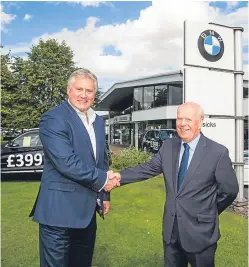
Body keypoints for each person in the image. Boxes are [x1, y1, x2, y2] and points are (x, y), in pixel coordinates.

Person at [110, 102, 239, 267]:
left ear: (200, 122)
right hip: (171, 233)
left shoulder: (217, 152)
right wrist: (119, 177)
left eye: (188, 119)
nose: (182, 124)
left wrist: (209, 211)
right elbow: (147, 169)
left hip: (200, 234)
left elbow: (230, 191)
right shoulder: (168, 146)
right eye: (179, 119)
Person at [29, 68, 120, 267]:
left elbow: (101, 160)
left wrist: (104, 196)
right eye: (79, 89)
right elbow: (66, 162)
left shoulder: (98, 120)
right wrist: (105, 180)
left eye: (89, 91)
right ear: (69, 90)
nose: (84, 95)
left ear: (95, 94)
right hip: (58, 214)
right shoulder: (53, 118)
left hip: (87, 213)